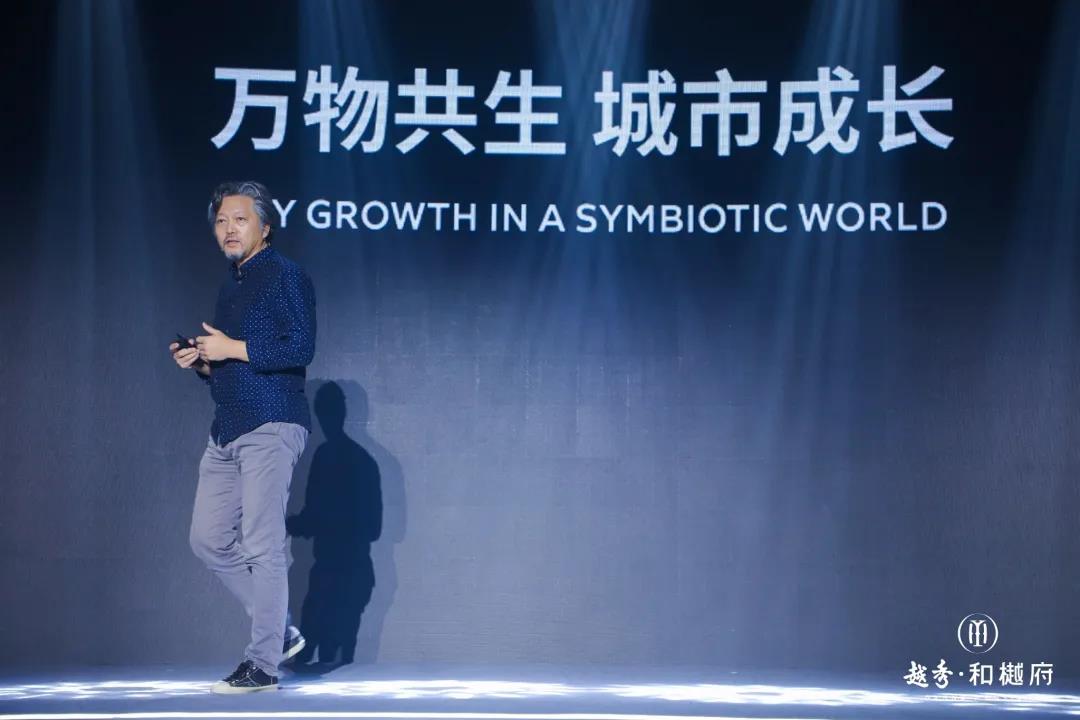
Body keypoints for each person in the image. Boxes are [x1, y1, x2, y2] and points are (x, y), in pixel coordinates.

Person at [170, 181, 316, 693]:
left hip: (272, 422)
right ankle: (280, 630)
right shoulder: (230, 285)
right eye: (221, 221)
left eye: (240, 219)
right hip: (227, 428)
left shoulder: (286, 275)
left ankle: (263, 664)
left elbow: (300, 347)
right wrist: (203, 362)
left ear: (265, 227)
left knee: (261, 544)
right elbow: (233, 367)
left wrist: (231, 347)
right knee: (208, 539)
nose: (229, 229)